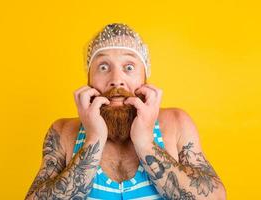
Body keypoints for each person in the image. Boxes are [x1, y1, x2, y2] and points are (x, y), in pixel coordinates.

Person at [25, 23, 226, 200]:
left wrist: (146, 143)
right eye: (103, 67)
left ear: (144, 78)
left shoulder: (176, 123)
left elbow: (215, 197)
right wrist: (94, 139)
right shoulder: (63, 132)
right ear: (89, 80)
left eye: (129, 67)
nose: (116, 79)